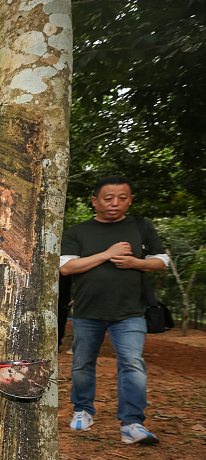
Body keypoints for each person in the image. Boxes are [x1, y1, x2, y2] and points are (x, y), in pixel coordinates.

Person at [60, 175, 168, 445]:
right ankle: (82, 410)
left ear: (131, 200)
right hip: (87, 312)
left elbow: (162, 260)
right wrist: (107, 253)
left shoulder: (141, 227)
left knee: (132, 364)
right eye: (108, 198)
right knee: (82, 364)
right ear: (94, 200)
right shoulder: (78, 231)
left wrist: (135, 262)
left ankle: (132, 423)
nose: (115, 203)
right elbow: (66, 268)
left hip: (131, 312)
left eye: (122, 198)